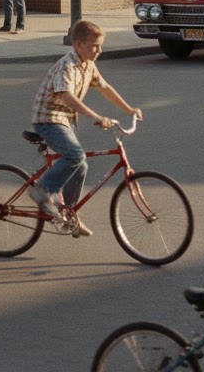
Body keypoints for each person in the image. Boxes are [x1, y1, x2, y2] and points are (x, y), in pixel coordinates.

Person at [29, 20, 143, 238]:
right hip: (48, 118)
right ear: (78, 44)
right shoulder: (68, 65)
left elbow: (105, 88)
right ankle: (41, 191)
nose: (99, 51)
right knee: (75, 155)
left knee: (80, 165)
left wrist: (129, 110)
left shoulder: (88, 64)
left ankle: (69, 215)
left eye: (100, 46)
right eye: (94, 46)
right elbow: (67, 96)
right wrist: (96, 116)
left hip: (65, 119)